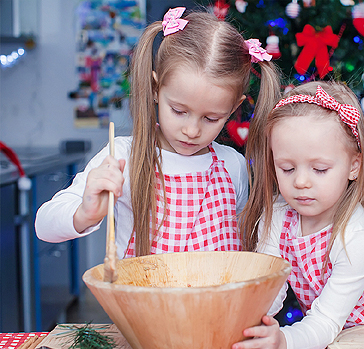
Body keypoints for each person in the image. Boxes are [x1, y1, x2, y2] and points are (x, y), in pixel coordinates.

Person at [35, 8, 281, 258]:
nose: (191, 130)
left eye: (210, 118)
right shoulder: (123, 157)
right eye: (178, 110)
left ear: (234, 108)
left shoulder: (233, 166)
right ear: (155, 89)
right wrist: (84, 213)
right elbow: (43, 226)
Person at [233, 81, 364, 349]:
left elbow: (326, 319)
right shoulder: (278, 218)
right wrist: (242, 327)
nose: (301, 182)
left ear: (354, 166)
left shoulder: (360, 235)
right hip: (330, 347)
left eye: (319, 169)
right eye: (287, 168)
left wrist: (282, 340)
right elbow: (268, 290)